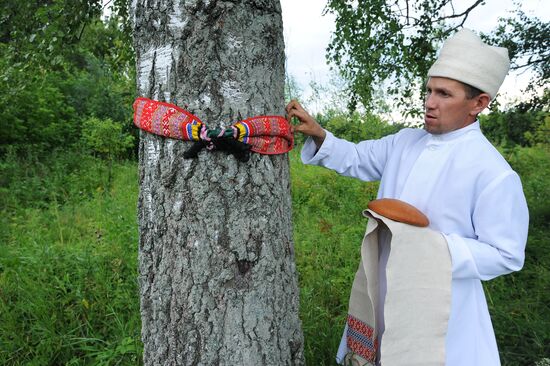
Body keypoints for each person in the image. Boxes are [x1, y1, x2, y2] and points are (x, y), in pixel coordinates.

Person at [286, 28, 529, 365]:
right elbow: (358, 157)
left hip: (442, 302)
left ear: (479, 103)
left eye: (444, 94)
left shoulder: (493, 172)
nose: (429, 102)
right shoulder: (405, 141)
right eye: (429, 90)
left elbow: (505, 254)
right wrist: (320, 134)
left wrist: (429, 248)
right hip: (380, 285)